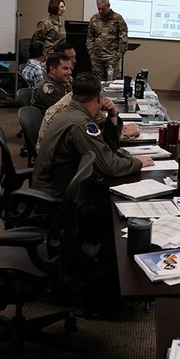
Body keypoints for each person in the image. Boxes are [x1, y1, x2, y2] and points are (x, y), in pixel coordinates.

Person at [32, 72, 153, 260]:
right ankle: (101, 259)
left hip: (59, 187)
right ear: (99, 97)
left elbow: (107, 147)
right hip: (61, 197)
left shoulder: (72, 112)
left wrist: (113, 114)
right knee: (119, 208)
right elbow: (108, 166)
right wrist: (137, 162)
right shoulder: (81, 124)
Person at [35, 43, 140, 151]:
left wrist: (117, 126)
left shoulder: (69, 86)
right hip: (55, 152)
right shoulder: (50, 90)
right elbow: (93, 138)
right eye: (65, 68)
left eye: (70, 68)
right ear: (52, 69)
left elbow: (97, 121)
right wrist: (124, 134)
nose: (70, 72)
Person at [86, 0, 128, 81]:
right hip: (97, 57)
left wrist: (119, 55)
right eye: (99, 9)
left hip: (112, 57)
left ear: (109, 6)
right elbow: (90, 38)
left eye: (103, 9)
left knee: (113, 83)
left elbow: (123, 38)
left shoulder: (118, 19)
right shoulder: (94, 19)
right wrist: (91, 53)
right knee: (97, 83)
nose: (101, 11)